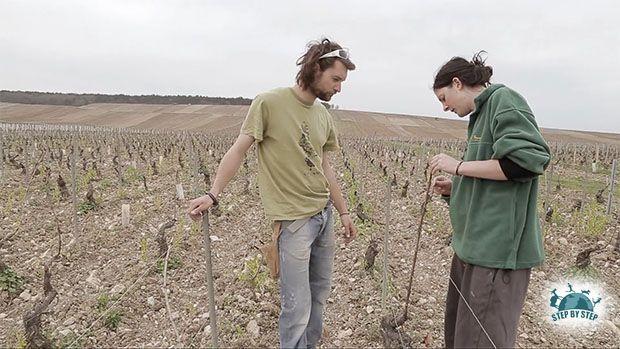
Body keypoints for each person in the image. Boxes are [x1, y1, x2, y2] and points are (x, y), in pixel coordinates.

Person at [188, 38, 357, 348]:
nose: (339, 88)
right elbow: (239, 150)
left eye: (342, 82)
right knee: (297, 306)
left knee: (319, 295)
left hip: (324, 217)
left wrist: (343, 211)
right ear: (316, 68)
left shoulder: (323, 116)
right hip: (293, 221)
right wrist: (213, 194)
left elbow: (326, 168)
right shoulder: (269, 103)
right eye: (335, 79)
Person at [428, 51, 551, 348]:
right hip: (473, 247)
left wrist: (457, 166)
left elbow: (525, 163)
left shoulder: (504, 101)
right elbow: (494, 174)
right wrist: (456, 188)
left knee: (482, 340)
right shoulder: (481, 114)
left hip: (497, 253)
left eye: (444, 98)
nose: (445, 108)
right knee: (461, 336)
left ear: (457, 83)